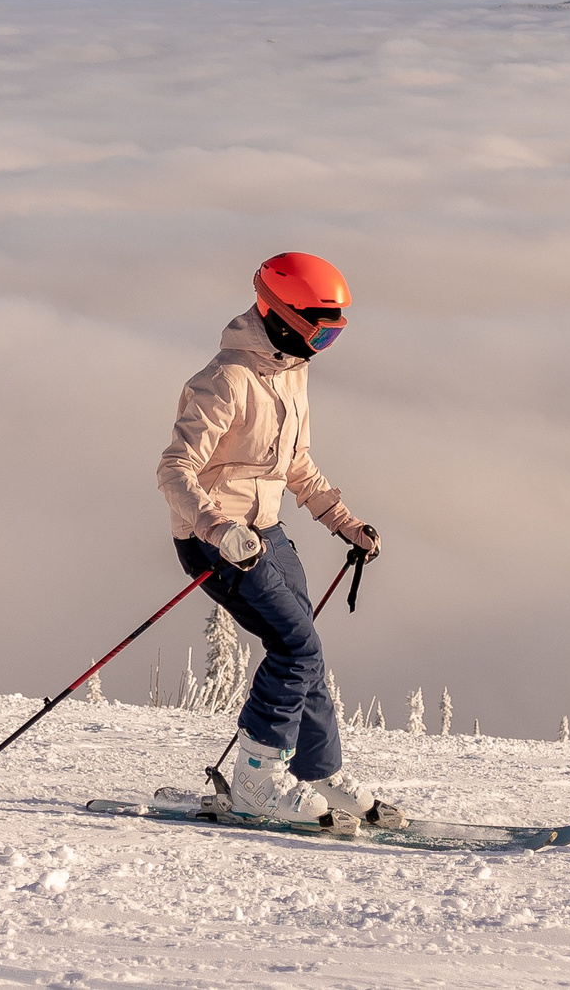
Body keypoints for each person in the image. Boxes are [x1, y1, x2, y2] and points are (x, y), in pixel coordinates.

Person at [158, 251, 394, 826]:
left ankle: (317, 772)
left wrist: (344, 522)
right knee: (295, 647)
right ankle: (256, 781)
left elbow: (295, 463)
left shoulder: (291, 371)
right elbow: (175, 469)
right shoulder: (225, 381)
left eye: (335, 333)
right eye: (322, 331)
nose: (325, 345)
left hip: (265, 532)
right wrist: (218, 529)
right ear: (284, 316)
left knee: (306, 648)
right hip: (216, 539)